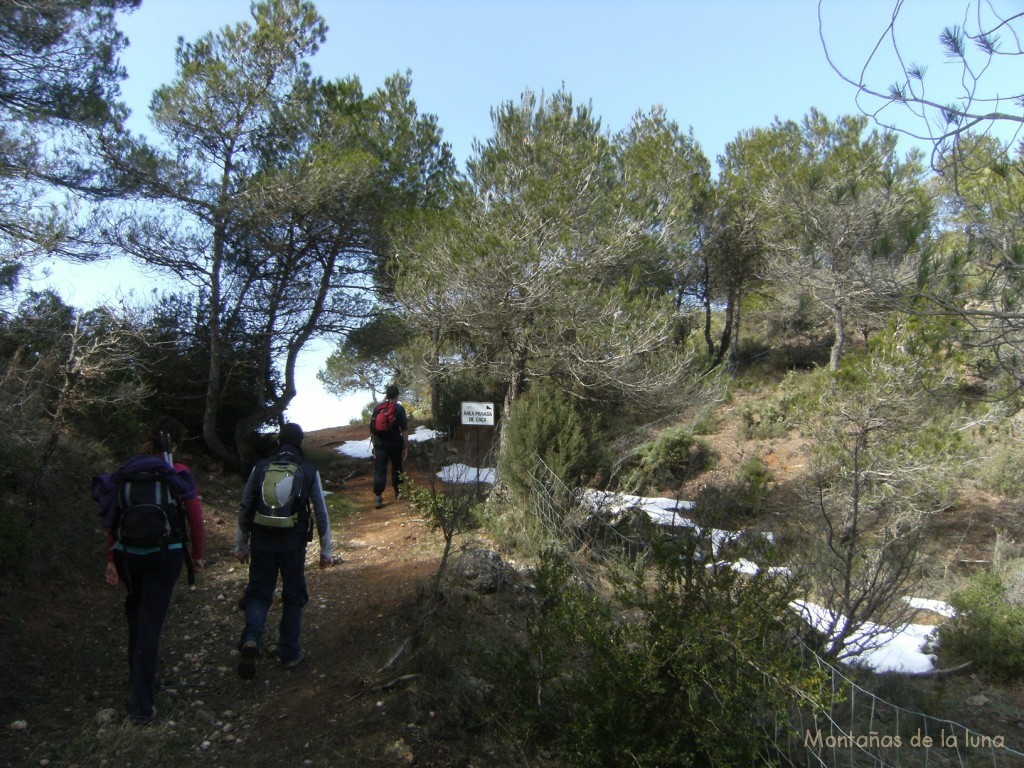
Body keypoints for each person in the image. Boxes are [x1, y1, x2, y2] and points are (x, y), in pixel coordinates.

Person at [93, 416, 206, 725]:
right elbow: (194, 517)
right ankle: (141, 702)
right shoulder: (177, 473)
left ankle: (138, 679)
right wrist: (197, 554)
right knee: (150, 623)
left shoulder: (129, 471)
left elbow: (112, 517)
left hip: (128, 554)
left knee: (137, 613)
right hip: (164, 554)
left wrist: (111, 557)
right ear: (177, 441)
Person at [234, 422, 334, 679]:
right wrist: (326, 550)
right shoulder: (308, 470)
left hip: (262, 541)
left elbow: (246, 506)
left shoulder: (261, 467)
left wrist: (241, 543)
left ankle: (251, 639)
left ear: (279, 442)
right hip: (293, 543)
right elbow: (321, 512)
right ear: (300, 444)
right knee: (293, 593)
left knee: (258, 592)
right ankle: (289, 652)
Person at [370, 384, 409, 509]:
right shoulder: (399, 409)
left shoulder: (378, 408)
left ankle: (378, 496)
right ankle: (399, 492)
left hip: (380, 443)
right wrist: (406, 446)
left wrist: (374, 444)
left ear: (387, 395)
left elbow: (372, 428)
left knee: (380, 469)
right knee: (396, 467)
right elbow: (404, 429)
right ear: (397, 396)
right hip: (395, 443)